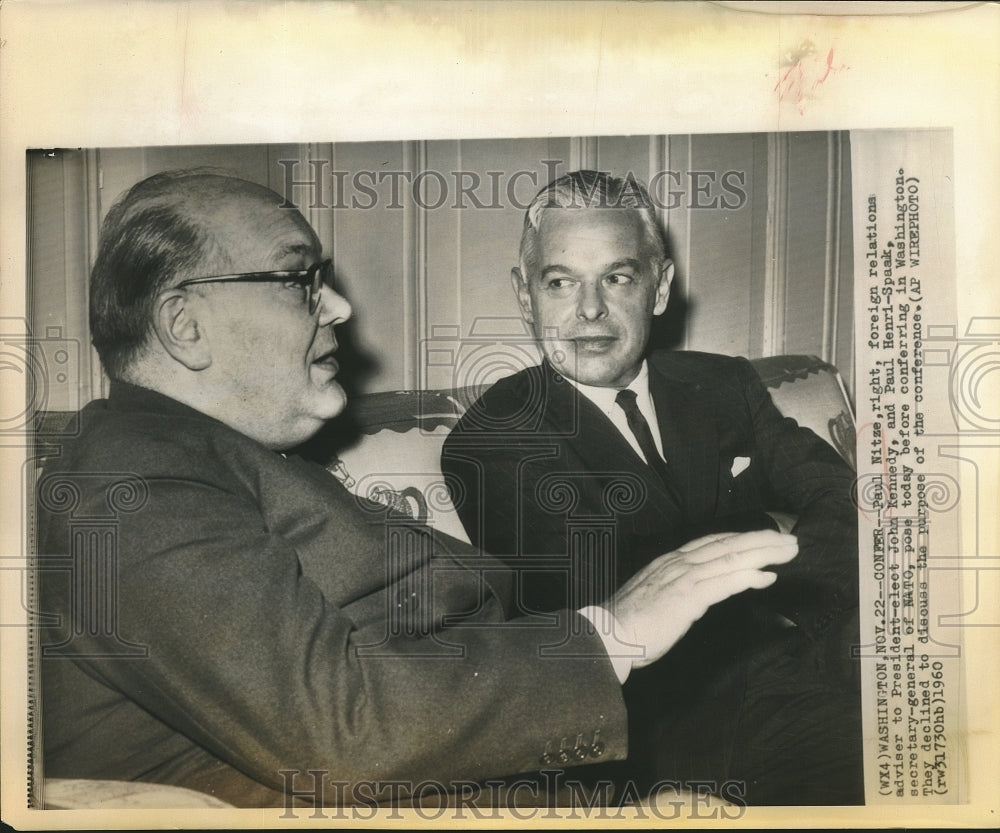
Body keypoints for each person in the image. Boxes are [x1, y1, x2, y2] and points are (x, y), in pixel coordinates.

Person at [36, 170, 800, 809]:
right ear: (184, 323)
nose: (340, 306)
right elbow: (339, 731)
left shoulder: (218, 459)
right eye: (300, 279)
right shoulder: (131, 482)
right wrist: (615, 631)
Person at [441, 170, 863, 805]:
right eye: (560, 282)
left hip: (796, 663)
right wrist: (767, 530)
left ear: (659, 288)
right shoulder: (493, 441)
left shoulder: (723, 384)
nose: (589, 310)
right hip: (653, 739)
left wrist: (782, 572)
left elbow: (841, 496)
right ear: (525, 297)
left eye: (617, 278)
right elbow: (604, 602)